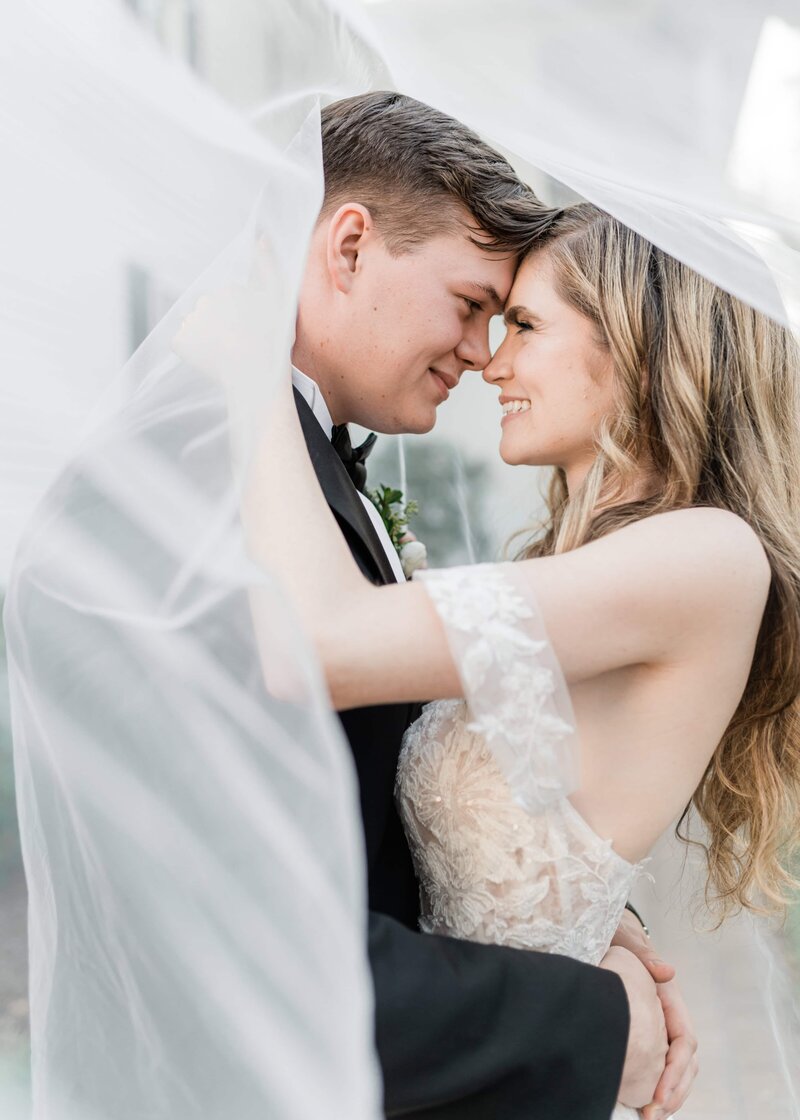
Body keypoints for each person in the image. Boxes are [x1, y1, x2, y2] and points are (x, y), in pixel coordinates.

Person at [178, 93, 700, 1119]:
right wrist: (593, 1021)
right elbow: (240, 926)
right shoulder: (197, 477)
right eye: (470, 303)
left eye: (513, 322)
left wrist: (560, 906)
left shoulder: (289, 465)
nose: (481, 353)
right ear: (350, 245)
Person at [228, 194, 800, 1116]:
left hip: (495, 1077)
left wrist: (243, 359)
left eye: (525, 325)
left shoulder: (708, 557)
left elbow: (324, 647)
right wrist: (596, 932)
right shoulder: (591, 567)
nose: (492, 362)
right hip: (458, 1054)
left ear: (643, 346)